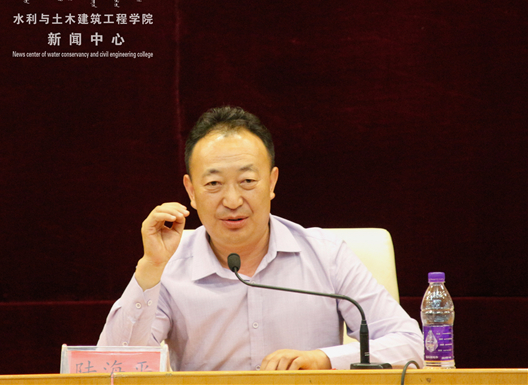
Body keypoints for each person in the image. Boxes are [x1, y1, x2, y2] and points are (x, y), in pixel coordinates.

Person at [98, 106, 424, 371]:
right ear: (191, 191)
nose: (232, 200)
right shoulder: (168, 267)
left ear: (271, 182)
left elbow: (410, 344)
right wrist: (150, 267)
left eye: (247, 181)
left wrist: (323, 360)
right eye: (213, 184)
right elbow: (113, 368)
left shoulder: (327, 256)